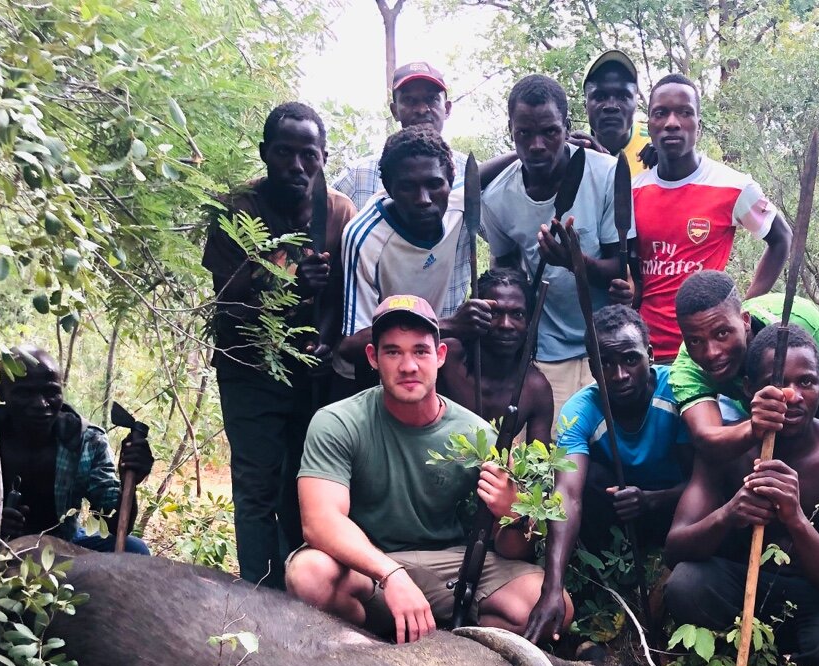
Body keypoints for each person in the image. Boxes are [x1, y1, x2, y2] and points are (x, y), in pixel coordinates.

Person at [286, 295, 569, 641]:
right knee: (308, 575)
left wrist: (513, 513)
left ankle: (452, 647)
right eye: (393, 352)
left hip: (451, 565)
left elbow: (514, 549)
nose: (408, 366)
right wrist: (391, 574)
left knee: (553, 605)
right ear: (373, 358)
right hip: (369, 566)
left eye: (420, 351)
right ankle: (375, 643)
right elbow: (320, 523)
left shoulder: (477, 433)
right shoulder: (337, 422)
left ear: (439, 356)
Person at [663, 324, 819, 666]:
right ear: (749, 388)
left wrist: (795, 518)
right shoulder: (724, 447)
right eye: (777, 382)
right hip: (741, 587)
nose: (793, 396)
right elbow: (674, 550)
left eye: (807, 382)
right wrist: (729, 514)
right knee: (685, 585)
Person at [204, 102, 355, 589]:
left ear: (323, 156)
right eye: (285, 153)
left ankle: (298, 591)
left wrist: (326, 344)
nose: (296, 165)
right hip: (248, 367)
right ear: (265, 152)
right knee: (256, 487)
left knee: (304, 486)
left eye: (308, 154)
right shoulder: (236, 209)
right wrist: (286, 281)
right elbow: (226, 299)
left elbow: (340, 295)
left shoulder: (337, 211)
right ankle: (257, 594)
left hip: (310, 373)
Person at [526, 305, 692, 644]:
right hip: (618, 515)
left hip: (675, 507)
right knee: (588, 479)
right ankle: (603, 586)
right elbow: (567, 497)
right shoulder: (581, 409)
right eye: (605, 363)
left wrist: (652, 500)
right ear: (591, 366)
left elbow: (707, 483)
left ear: (651, 354)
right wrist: (552, 586)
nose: (618, 375)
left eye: (631, 359)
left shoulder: (679, 392)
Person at [0, 347, 154, 572]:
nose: (41, 404)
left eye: (51, 392)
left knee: (136, 550)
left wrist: (128, 484)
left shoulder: (86, 439)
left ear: (62, 390)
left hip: (67, 544)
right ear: (1, 392)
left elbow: (115, 525)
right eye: (25, 393)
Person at [481, 75, 627, 415]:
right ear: (511, 131)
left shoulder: (606, 174)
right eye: (524, 133)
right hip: (546, 351)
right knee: (554, 456)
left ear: (567, 125)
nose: (537, 145)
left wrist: (575, 262)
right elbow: (506, 277)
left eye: (549, 131)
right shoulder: (498, 196)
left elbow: (624, 268)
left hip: (607, 345)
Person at [632, 74, 790, 363]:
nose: (672, 122)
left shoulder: (733, 186)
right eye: (661, 113)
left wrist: (747, 305)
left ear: (699, 126)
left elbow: (781, 238)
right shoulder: (634, 191)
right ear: (650, 126)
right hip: (647, 354)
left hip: (706, 356)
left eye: (684, 112)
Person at [323, 126, 484, 391]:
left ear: (450, 179)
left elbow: (486, 173)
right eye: (408, 187)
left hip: (426, 361)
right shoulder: (366, 237)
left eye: (434, 184)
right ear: (388, 187)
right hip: (366, 377)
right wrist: (450, 325)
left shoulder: (457, 200)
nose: (424, 199)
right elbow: (351, 345)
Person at [671, 270, 819, 461]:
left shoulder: (801, 324)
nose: (711, 353)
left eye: (722, 334)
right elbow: (707, 437)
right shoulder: (688, 367)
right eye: (695, 341)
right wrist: (754, 427)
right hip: (744, 400)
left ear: (745, 320)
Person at [435, 267, 555, 445]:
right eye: (495, 313)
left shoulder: (534, 388)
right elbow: (399, 342)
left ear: (529, 323)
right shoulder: (446, 357)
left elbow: (538, 465)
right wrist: (451, 324)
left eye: (517, 314)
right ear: (475, 313)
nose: (506, 324)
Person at [331, 61, 470, 211]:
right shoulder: (358, 175)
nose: (422, 109)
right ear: (394, 111)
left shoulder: (470, 172)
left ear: (447, 109)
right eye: (410, 100)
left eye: (432, 99)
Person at [581, 49, 651, 172]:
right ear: (585, 105)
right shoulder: (575, 149)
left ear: (636, 104)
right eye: (600, 97)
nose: (611, 106)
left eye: (623, 96)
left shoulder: (654, 147)